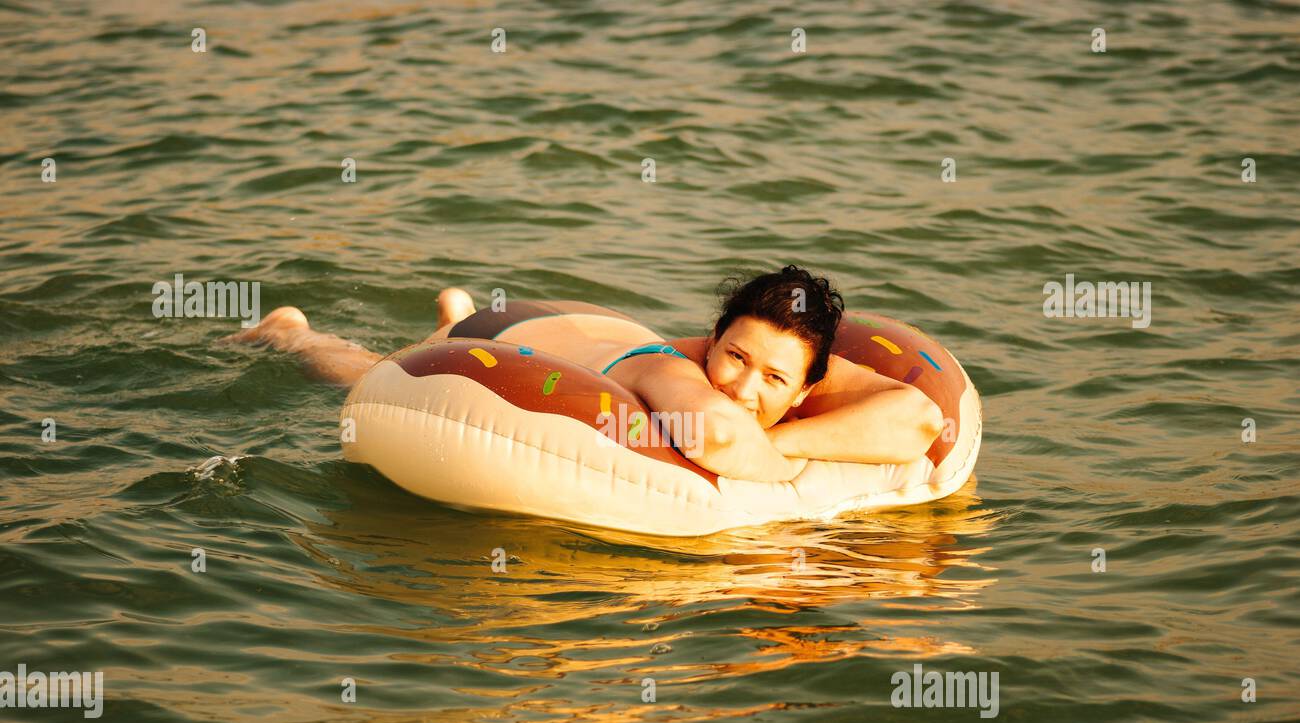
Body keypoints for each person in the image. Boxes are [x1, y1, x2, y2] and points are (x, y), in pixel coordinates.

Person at [222, 266, 942, 482]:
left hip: (580, 330)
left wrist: (784, 442)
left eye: (774, 382)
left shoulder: (805, 369)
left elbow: (919, 419)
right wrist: (793, 465)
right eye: (735, 358)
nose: (743, 388)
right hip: (506, 340)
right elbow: (719, 438)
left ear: (812, 385)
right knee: (365, 376)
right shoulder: (677, 370)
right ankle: (295, 331)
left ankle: (452, 305)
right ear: (712, 339)